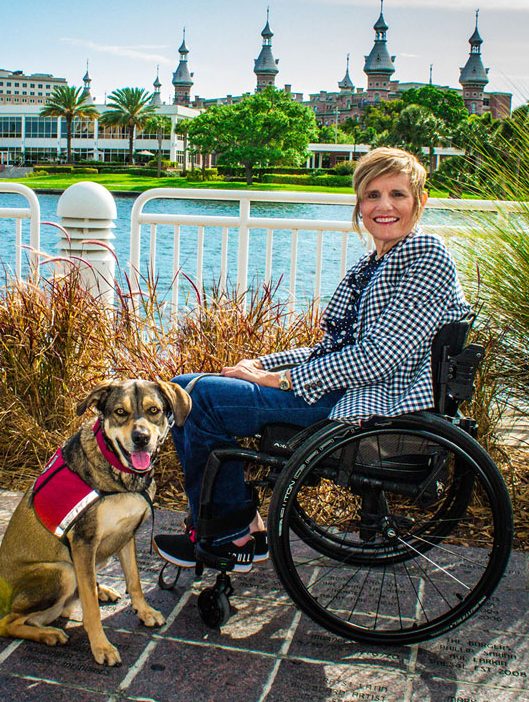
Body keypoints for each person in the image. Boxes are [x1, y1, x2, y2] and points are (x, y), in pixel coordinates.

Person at [153, 147, 470, 573]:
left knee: (198, 397)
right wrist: (259, 363)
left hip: (373, 403)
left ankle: (231, 535)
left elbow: (378, 358)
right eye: (372, 195)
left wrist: (280, 380)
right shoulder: (376, 263)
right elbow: (332, 348)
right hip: (352, 388)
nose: (384, 206)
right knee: (188, 384)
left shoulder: (423, 256)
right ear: (359, 205)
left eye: (398, 194)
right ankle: (237, 524)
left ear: (419, 201)